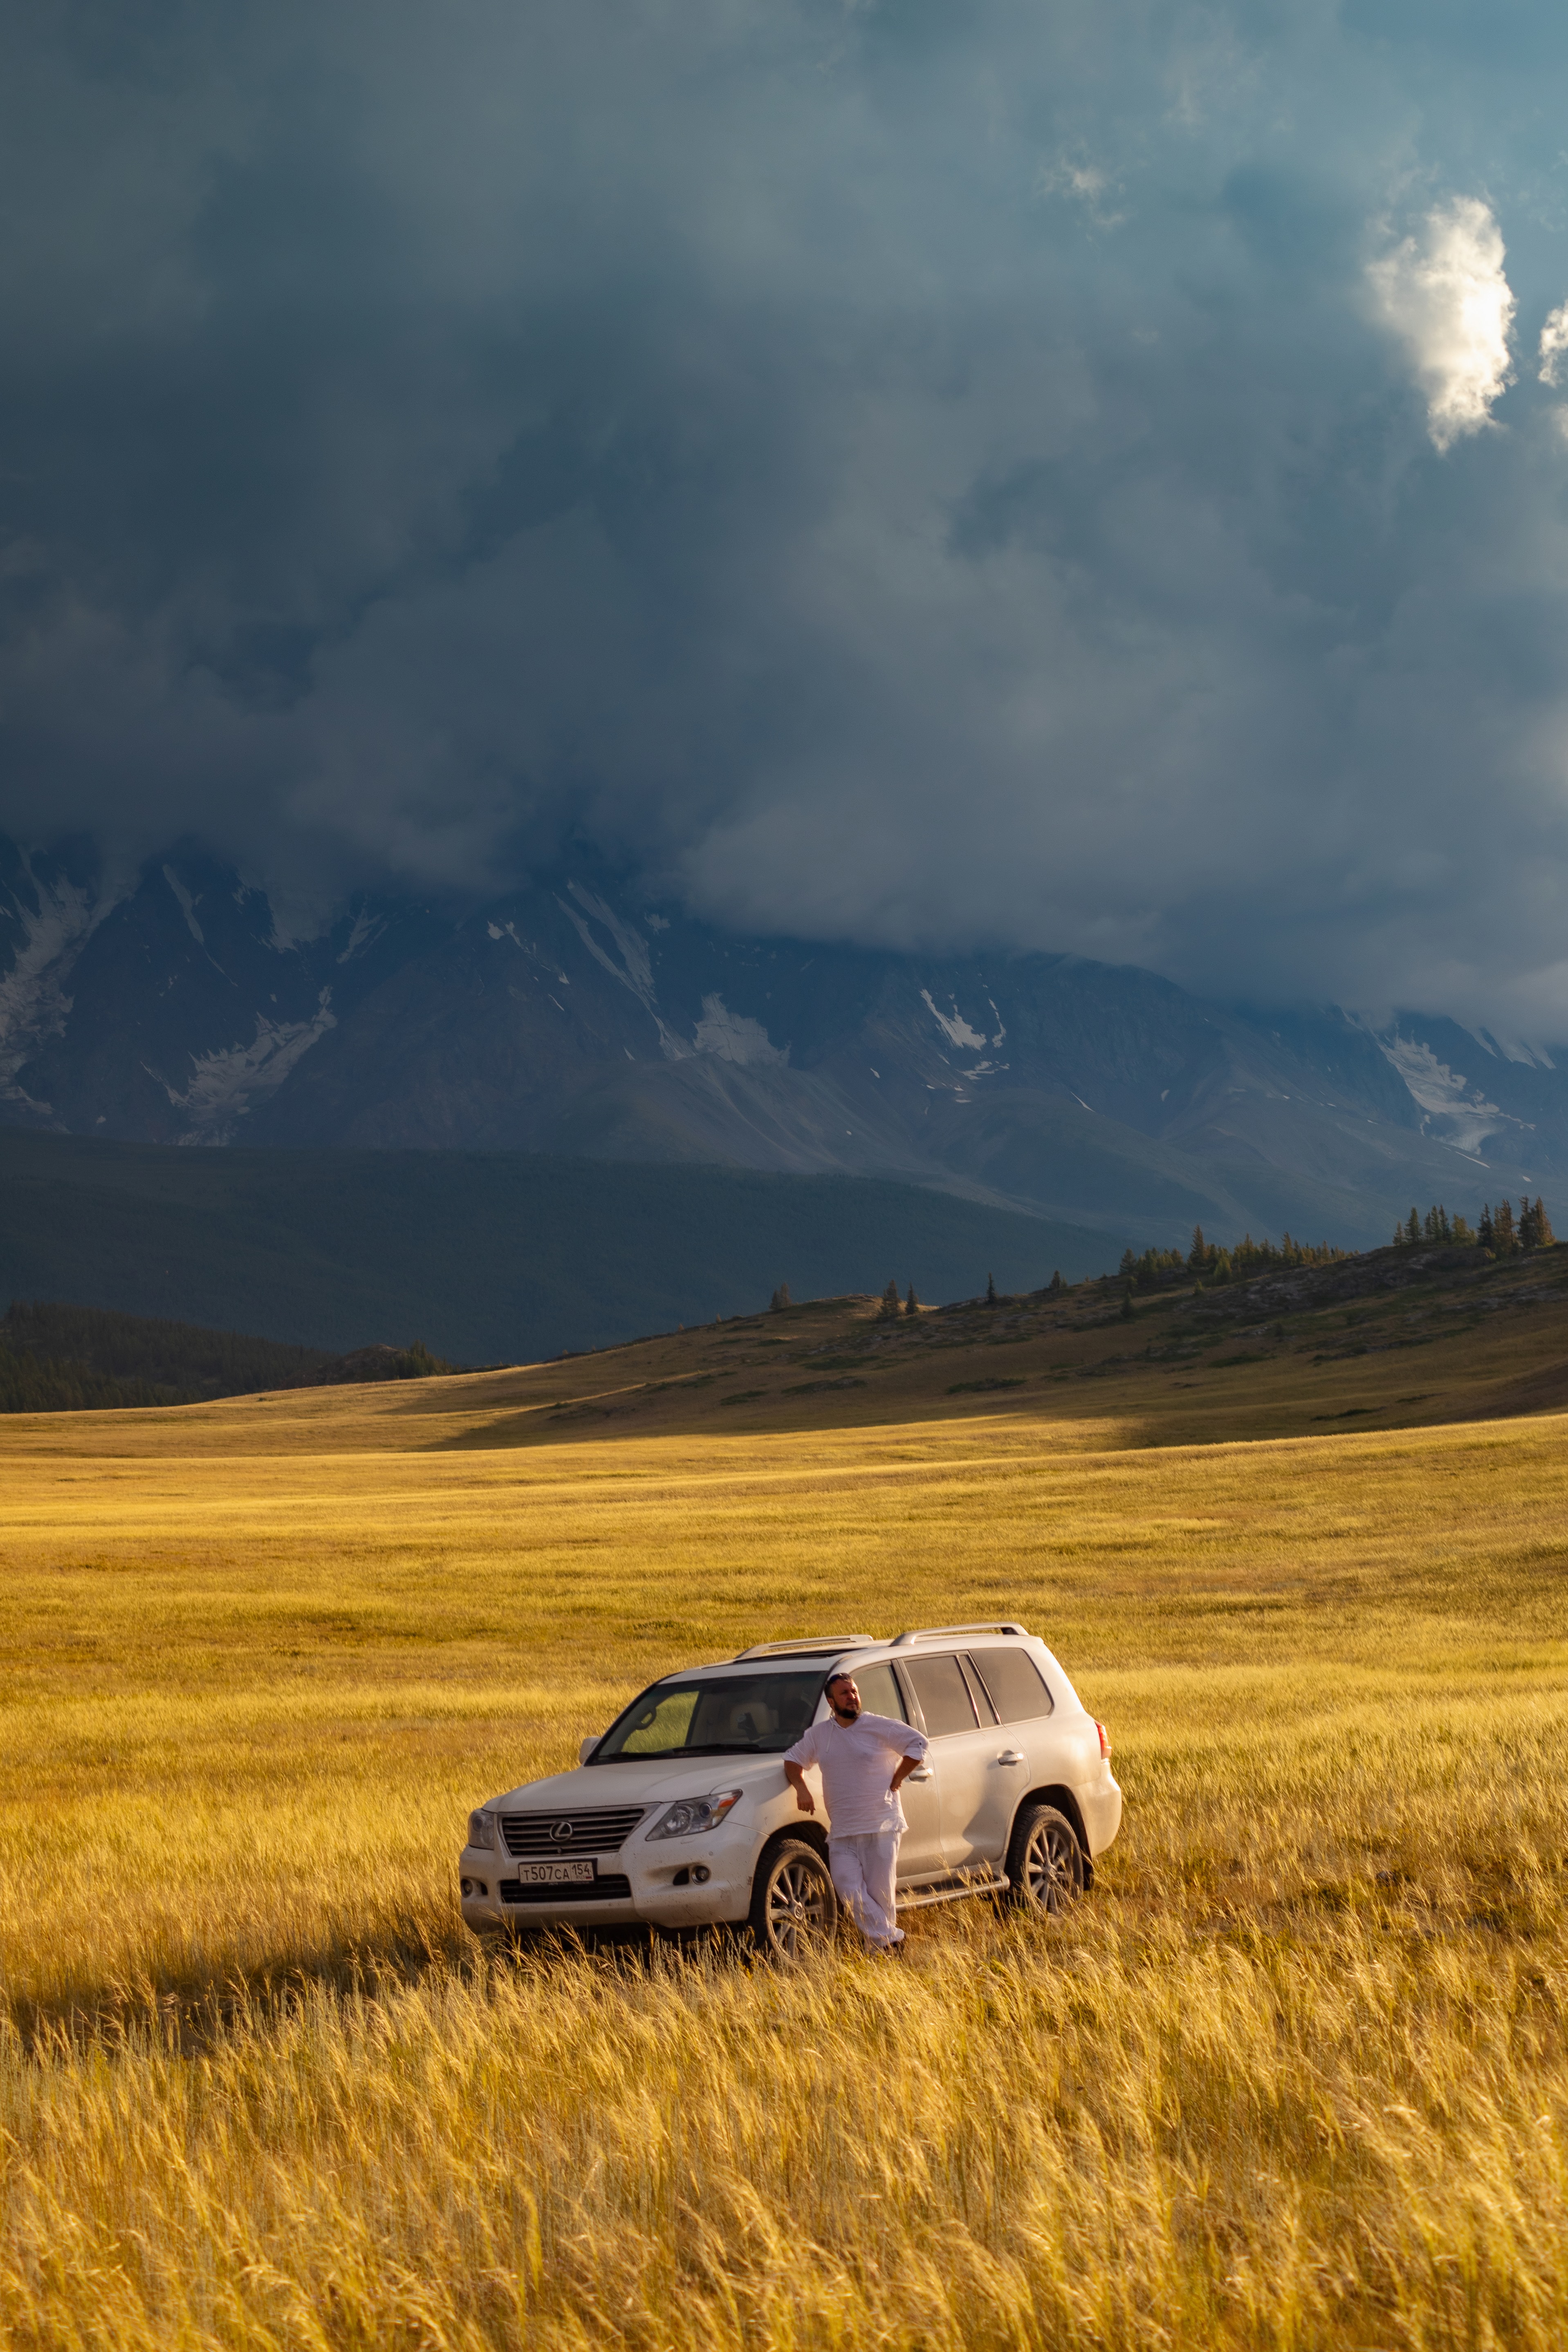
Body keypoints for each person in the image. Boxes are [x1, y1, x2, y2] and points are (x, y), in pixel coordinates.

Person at [782, 1670, 929, 1952]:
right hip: (842, 1831)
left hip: (881, 1826)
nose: (852, 1697)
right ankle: (892, 1939)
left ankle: (881, 1954)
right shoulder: (820, 1735)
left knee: (881, 1897)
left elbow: (919, 1743)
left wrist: (899, 1776)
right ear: (831, 1702)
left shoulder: (878, 1726)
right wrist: (801, 1788)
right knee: (847, 1889)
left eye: (854, 1692)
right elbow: (792, 1759)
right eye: (844, 1693)